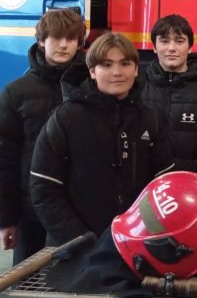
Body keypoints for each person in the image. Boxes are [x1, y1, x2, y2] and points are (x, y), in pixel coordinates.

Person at [30, 32, 174, 246]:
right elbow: (44, 188)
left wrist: (147, 233)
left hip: (136, 244)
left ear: (136, 69)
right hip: (78, 249)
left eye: (125, 63)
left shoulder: (149, 119)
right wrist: (80, 240)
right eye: (106, 65)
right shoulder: (66, 118)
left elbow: (164, 183)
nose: (117, 72)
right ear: (92, 72)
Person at [0, 9, 85, 298]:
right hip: (30, 211)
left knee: (77, 294)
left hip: (80, 209)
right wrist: (6, 218)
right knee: (24, 291)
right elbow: (5, 160)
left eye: (70, 39)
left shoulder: (90, 87)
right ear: (41, 41)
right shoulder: (16, 92)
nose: (63, 45)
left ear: (80, 43)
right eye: (56, 38)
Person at [142, 14, 197, 186]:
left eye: (179, 41)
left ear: (190, 47)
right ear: (154, 47)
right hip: (146, 191)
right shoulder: (138, 88)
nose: (171, 48)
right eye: (164, 41)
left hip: (192, 191)